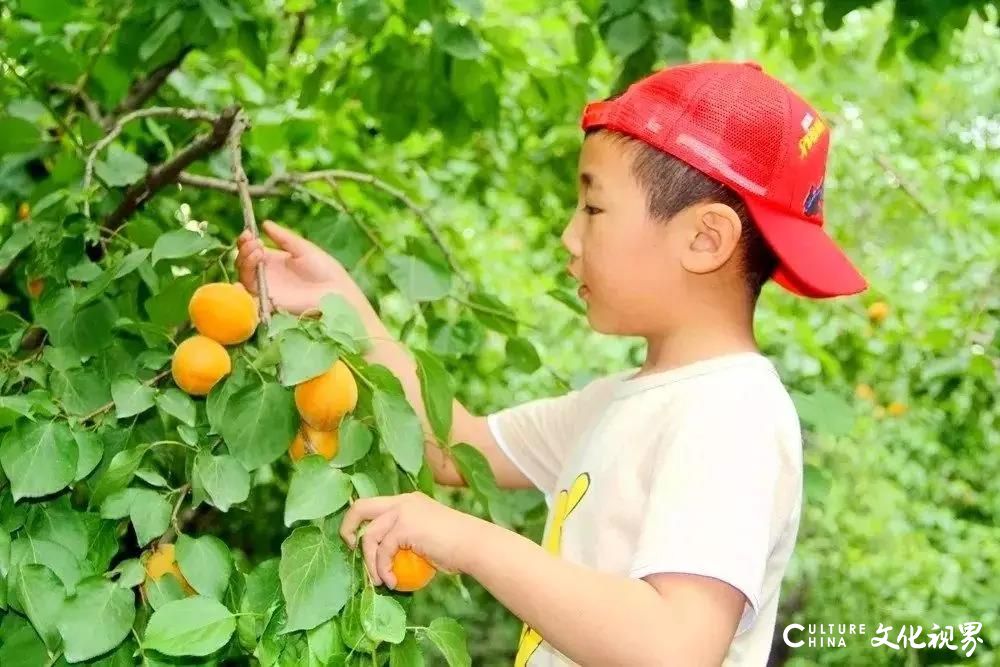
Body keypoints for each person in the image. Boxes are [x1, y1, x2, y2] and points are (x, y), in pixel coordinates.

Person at [236, 60, 866, 666]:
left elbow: (674, 647)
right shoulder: (618, 403)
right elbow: (454, 444)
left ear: (704, 239)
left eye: (592, 209)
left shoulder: (732, 414)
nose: (569, 235)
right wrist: (344, 309)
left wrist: (469, 540)